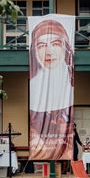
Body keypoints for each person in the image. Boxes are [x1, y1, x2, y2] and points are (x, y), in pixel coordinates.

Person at [29, 19, 74, 160]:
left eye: (55, 44)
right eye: (41, 46)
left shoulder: (69, 87)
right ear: (35, 51)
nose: (49, 52)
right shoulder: (35, 86)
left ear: (65, 47)